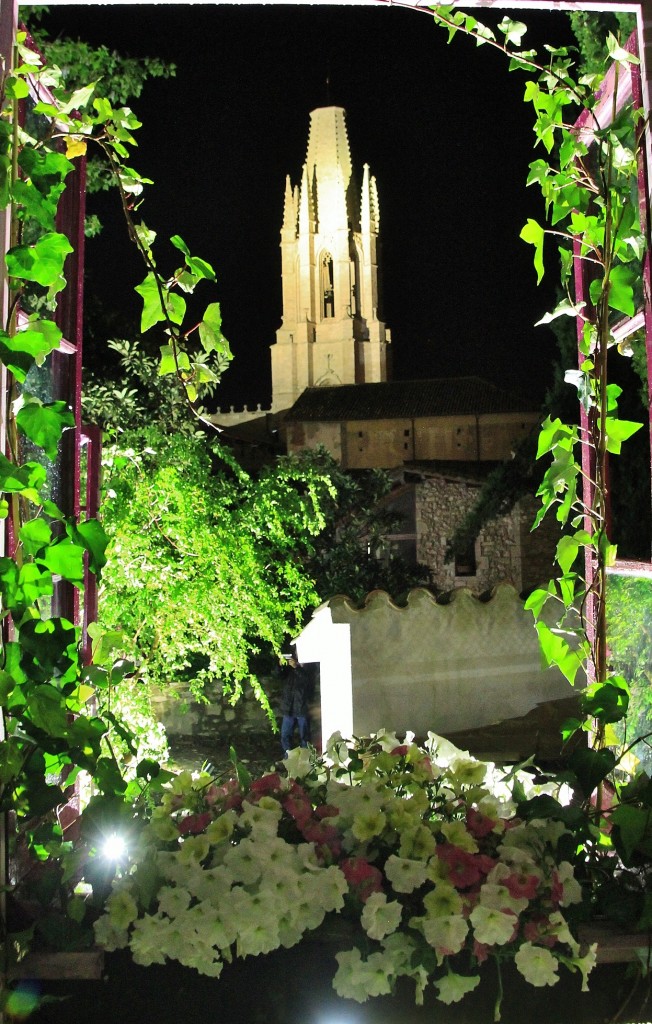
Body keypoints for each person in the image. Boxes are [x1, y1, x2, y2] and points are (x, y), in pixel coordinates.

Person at [279, 650, 314, 757]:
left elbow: (307, 680)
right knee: (285, 735)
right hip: (289, 706)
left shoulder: (309, 665)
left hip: (302, 706)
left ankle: (305, 760)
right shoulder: (291, 667)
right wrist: (280, 666)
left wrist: (297, 667)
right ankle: (288, 759)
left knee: (304, 737)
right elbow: (279, 676)